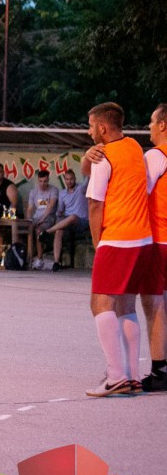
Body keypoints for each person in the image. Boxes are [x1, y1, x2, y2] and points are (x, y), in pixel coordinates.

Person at [81, 102, 153, 397]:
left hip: (117, 238)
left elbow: (94, 204)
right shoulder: (134, 147)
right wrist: (87, 157)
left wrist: (98, 244)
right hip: (142, 239)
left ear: (102, 127)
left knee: (100, 304)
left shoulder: (104, 157)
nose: (88, 132)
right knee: (126, 306)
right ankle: (132, 376)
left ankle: (115, 376)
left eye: (90, 126)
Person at [140, 104, 167, 391]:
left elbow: (139, 195)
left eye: (151, 121)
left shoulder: (156, 156)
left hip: (159, 239)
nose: (148, 126)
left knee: (154, 305)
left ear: (162, 125)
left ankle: (160, 370)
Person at [46, 169, 89, 269]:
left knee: (72, 217)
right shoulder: (62, 194)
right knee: (59, 230)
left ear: (75, 179)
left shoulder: (81, 188)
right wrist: (58, 217)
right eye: (67, 179)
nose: (69, 181)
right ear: (64, 180)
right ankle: (56, 262)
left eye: (71, 179)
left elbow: (88, 178)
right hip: (67, 222)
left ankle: (48, 231)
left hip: (81, 221)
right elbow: (60, 211)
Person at [26, 169, 60, 269]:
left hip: (49, 217)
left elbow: (51, 206)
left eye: (45, 181)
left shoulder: (53, 190)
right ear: (38, 180)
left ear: (48, 180)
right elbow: (30, 208)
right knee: (26, 229)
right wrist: (28, 220)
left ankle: (39, 259)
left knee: (39, 231)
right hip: (36, 217)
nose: (42, 184)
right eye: (40, 181)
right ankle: (27, 258)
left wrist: (42, 219)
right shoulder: (33, 192)